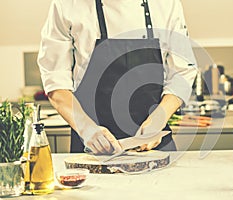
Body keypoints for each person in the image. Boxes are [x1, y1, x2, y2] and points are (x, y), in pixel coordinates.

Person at [38, 0, 197, 154]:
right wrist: (87, 129)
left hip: (153, 146)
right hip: (93, 150)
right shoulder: (66, 5)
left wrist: (158, 119)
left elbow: (182, 73)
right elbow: (56, 82)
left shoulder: (166, 4)